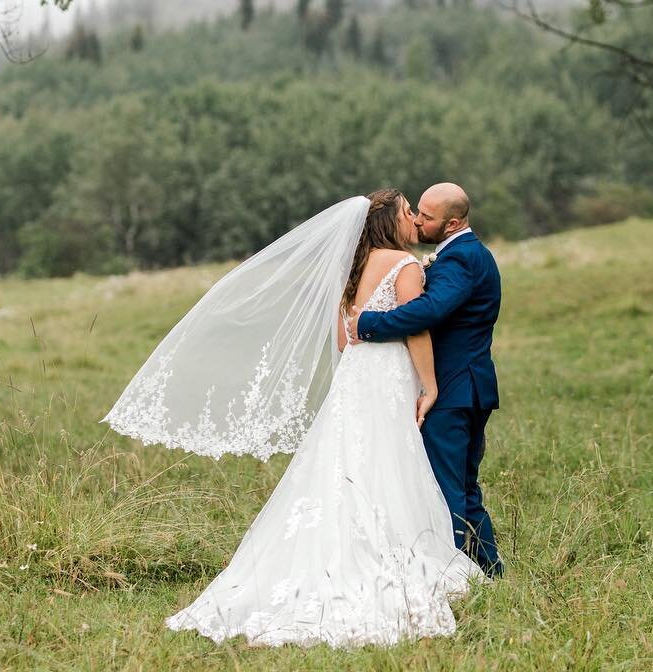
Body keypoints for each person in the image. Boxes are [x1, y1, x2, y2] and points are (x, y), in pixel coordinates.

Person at [104, 189, 483, 647]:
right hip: (385, 380)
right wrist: (429, 384)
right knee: (386, 465)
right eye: (408, 212)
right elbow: (418, 327)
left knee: (344, 468)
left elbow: (345, 341)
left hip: (355, 381)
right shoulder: (402, 266)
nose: (414, 221)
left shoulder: (354, 269)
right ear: (389, 221)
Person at [350, 182, 504, 577]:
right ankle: (489, 570)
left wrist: (366, 323)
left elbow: (426, 311)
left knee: (446, 489)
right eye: (415, 211)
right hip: (467, 387)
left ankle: (456, 573)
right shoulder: (461, 253)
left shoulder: (461, 259)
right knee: (463, 488)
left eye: (427, 217)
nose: (418, 220)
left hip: (454, 388)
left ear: (452, 224)